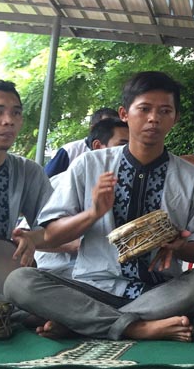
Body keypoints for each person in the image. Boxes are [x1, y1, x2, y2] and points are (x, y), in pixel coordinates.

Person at [5, 71, 194, 342]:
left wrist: (178, 245)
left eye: (165, 111)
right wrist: (92, 213)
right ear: (125, 113)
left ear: (175, 118)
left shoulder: (191, 178)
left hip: (157, 293)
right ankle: (135, 328)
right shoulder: (89, 165)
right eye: (144, 109)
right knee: (20, 282)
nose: (154, 118)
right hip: (90, 288)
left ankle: (82, 322)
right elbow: (52, 233)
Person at [0, 79, 51, 303]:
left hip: (3, 274)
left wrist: (34, 237)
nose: (8, 121)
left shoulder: (27, 171)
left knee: (36, 283)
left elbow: (55, 225)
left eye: (16, 113)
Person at [35, 118, 129, 276]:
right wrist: (74, 244)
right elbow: (29, 235)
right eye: (122, 145)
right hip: (59, 273)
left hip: (111, 278)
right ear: (98, 147)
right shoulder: (62, 181)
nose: (128, 152)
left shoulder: (135, 185)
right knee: (22, 281)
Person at [44, 107, 119, 177]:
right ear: (92, 128)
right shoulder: (70, 151)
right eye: (106, 127)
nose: (113, 131)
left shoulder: (121, 152)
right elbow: (47, 180)